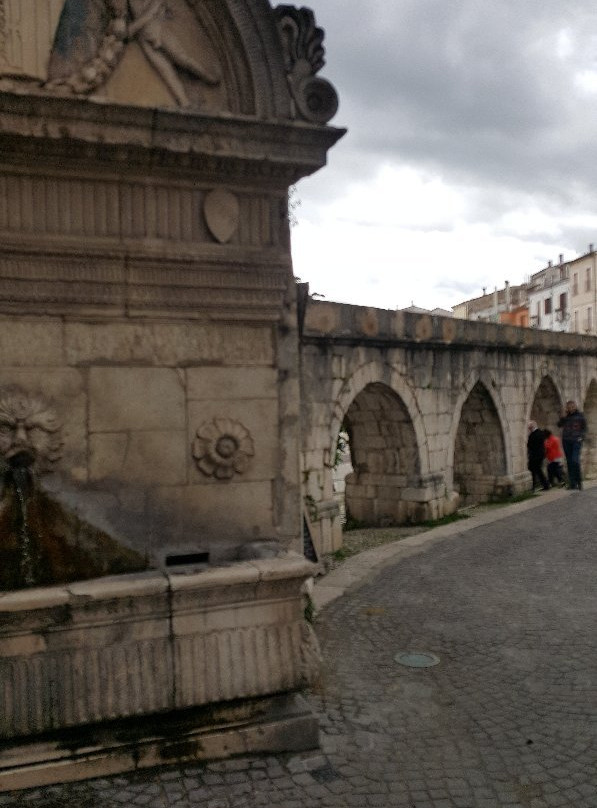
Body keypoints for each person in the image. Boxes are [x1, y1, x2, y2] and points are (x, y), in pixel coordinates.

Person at [558, 400, 587, 490]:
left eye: (572, 406)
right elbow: (559, 425)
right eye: (569, 407)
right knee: (569, 462)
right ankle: (572, 484)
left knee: (575, 460)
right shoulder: (566, 417)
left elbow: (584, 428)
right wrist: (562, 417)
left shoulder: (580, 416)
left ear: (575, 406)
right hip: (566, 441)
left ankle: (579, 481)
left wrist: (581, 437)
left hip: (576, 441)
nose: (570, 408)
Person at [527, 421, 549, 491]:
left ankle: (542, 485)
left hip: (535, 455)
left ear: (532, 426)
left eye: (529, 427)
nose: (528, 428)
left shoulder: (534, 434)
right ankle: (542, 485)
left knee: (536, 470)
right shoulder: (539, 433)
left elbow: (531, 444)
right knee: (536, 470)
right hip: (538, 455)